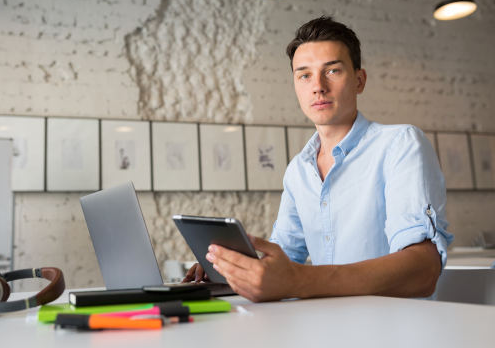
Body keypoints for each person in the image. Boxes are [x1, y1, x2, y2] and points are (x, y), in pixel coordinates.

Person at [183, 16, 453, 302]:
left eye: (333, 71)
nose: (318, 86)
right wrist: (229, 267)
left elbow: (422, 271)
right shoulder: (298, 170)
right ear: (296, 86)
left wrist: (298, 281)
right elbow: (284, 257)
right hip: (322, 327)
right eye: (304, 75)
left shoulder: (400, 145)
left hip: (395, 331)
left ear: (359, 80)